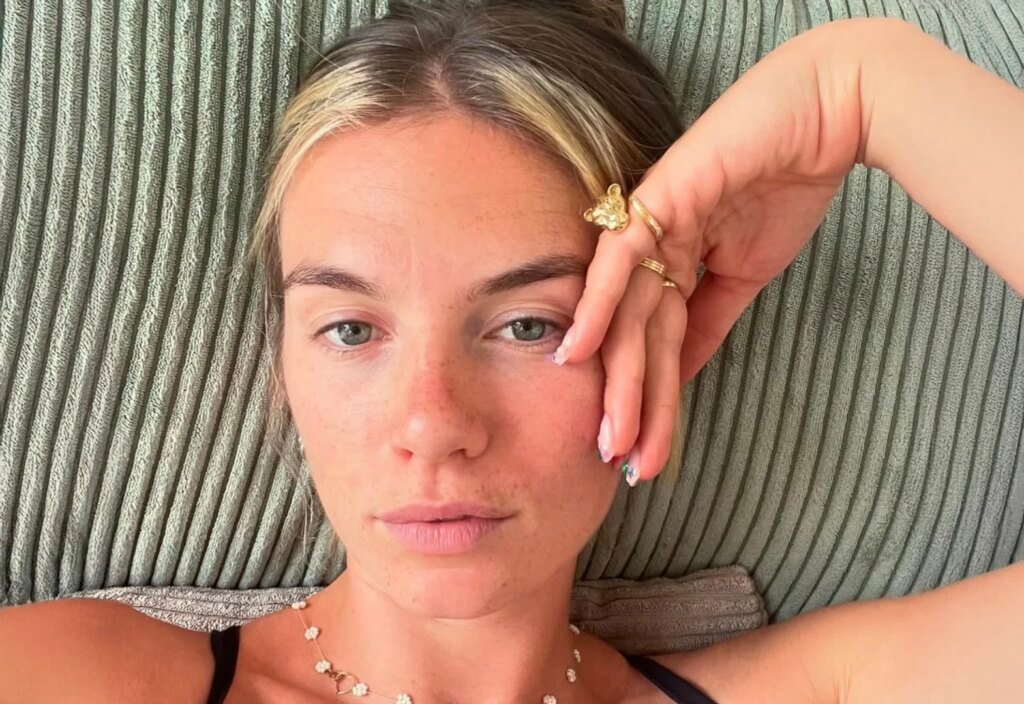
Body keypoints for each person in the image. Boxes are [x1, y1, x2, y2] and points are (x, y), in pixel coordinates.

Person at [1, 1, 1021, 702]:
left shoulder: (824, 687)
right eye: (351, 329)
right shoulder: (84, 677)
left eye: (529, 324)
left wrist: (859, 86)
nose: (432, 423)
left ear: (654, 328)